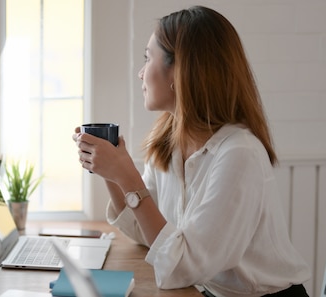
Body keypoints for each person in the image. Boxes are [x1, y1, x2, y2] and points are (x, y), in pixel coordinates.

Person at [72, 5, 310, 297]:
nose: (140, 72)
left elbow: (181, 267)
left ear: (179, 70)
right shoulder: (171, 141)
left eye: (148, 58)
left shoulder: (239, 155)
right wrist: (111, 173)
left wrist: (128, 177)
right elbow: (147, 234)